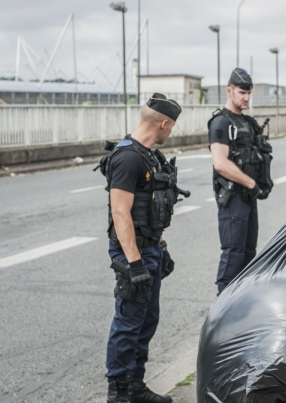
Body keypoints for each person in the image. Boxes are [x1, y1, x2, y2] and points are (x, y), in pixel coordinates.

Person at [99, 93, 183, 403]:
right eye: (171, 127)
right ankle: (119, 393)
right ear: (164, 124)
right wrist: (134, 263)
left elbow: (147, 211)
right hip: (131, 253)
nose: (170, 132)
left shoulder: (149, 155)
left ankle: (135, 385)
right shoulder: (128, 157)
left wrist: (161, 247)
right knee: (128, 322)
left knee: (147, 320)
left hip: (149, 249)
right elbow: (120, 213)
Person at [208, 68, 273, 295]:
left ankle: (241, 305)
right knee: (233, 253)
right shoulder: (221, 123)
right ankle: (221, 309)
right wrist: (251, 183)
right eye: (242, 92)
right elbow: (220, 163)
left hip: (247, 197)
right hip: (233, 196)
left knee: (248, 253)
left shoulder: (247, 122)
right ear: (229, 91)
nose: (246, 97)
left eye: (249, 93)